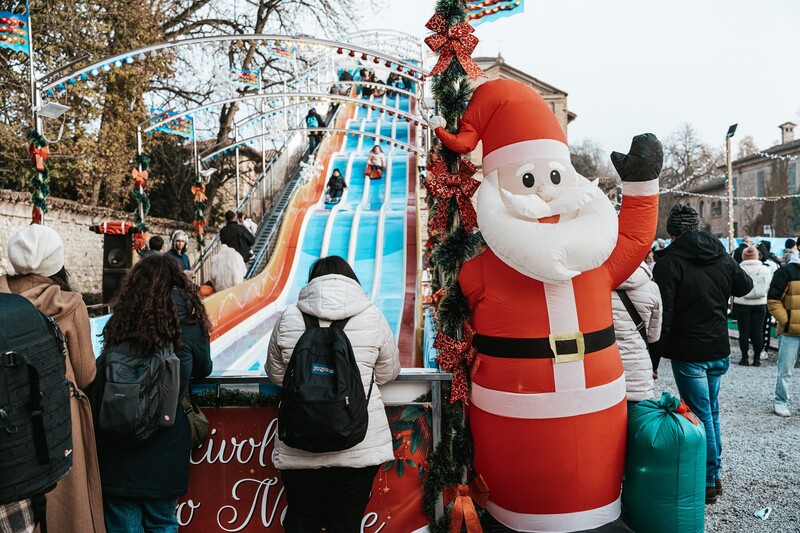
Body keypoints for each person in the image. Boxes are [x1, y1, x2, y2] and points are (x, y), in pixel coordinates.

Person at [266, 256, 400, 532]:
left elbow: (277, 374)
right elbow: (388, 372)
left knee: (302, 520)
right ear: (351, 280)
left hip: (299, 442)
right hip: (358, 443)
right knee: (346, 524)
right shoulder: (372, 316)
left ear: (312, 282)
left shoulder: (289, 316)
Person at [0, 224, 106, 532]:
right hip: (59, 416)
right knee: (66, 510)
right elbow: (85, 374)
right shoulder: (68, 302)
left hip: (7, 419)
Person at [96, 254, 212, 532]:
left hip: (118, 437)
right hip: (166, 437)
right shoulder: (191, 320)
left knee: (122, 521)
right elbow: (204, 368)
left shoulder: (124, 317)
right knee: (162, 522)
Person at [652, 204, 753, 504]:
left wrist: (653, 359)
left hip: (690, 351)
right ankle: (714, 475)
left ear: (672, 231)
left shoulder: (669, 262)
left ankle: (709, 479)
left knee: (701, 415)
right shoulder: (719, 254)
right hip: (718, 348)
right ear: (696, 227)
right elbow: (745, 285)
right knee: (712, 413)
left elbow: (664, 316)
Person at [611, 262, 662, 406]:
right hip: (639, 370)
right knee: (637, 417)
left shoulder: (596, 287)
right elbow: (654, 335)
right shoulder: (652, 288)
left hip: (606, 369)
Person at [767, 251, 800, 417]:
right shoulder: (785, 271)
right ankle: (780, 401)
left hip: (789, 328)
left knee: (785, 370)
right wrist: (786, 321)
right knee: (785, 370)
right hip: (789, 332)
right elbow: (773, 300)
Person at [733, 246, 772, 366]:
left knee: (743, 331)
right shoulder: (764, 269)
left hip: (742, 303)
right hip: (760, 303)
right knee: (758, 331)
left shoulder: (738, 268)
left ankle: (744, 358)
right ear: (757, 256)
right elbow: (768, 286)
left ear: (743, 256)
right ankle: (756, 359)